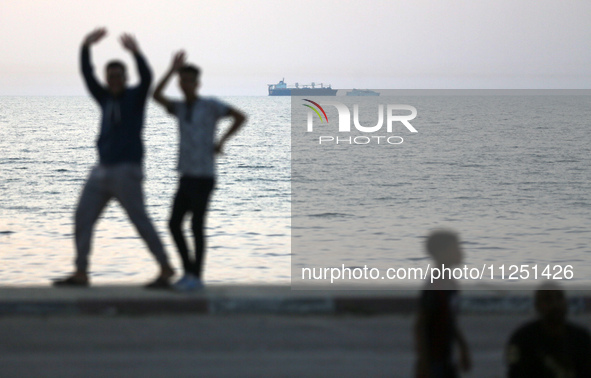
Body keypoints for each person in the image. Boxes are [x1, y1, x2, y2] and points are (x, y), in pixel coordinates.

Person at [53, 28, 174, 288]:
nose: (114, 80)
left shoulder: (136, 97)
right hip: (101, 171)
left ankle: (165, 267)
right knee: (82, 216)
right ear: (107, 80)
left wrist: (136, 52)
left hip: (126, 171)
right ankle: (81, 272)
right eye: (110, 76)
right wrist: (85, 46)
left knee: (139, 220)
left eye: (118, 75)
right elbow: (87, 75)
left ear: (125, 77)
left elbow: (148, 76)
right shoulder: (105, 98)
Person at [153, 51, 246, 291]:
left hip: (204, 176)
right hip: (186, 175)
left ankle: (196, 277)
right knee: (174, 224)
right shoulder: (179, 108)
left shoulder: (211, 105)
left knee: (196, 225)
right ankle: (189, 273)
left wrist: (222, 141)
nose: (185, 84)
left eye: (189, 80)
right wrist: (171, 69)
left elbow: (240, 117)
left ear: (197, 83)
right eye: (181, 80)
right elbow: (155, 95)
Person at [414, 230, 472, 378]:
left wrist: (462, 347)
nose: (461, 253)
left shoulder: (451, 283)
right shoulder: (435, 285)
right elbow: (421, 325)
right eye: (456, 248)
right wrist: (423, 362)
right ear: (441, 253)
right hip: (433, 360)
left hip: (446, 357)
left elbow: (449, 319)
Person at [506, 283, 591, 377]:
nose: (555, 304)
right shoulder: (522, 340)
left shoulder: (581, 339)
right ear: (537, 305)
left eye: (559, 298)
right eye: (547, 299)